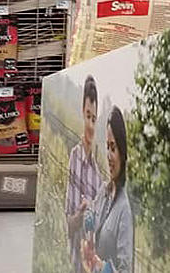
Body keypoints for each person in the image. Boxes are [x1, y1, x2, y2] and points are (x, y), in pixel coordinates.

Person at [81, 106, 134, 273]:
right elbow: (91, 227)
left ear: (123, 153)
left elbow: (125, 270)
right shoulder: (104, 191)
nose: (109, 156)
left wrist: (101, 267)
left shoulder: (124, 209)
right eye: (107, 147)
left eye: (114, 148)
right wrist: (88, 220)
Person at [66, 75, 101, 273]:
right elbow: (69, 225)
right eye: (88, 116)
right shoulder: (75, 158)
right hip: (77, 265)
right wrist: (81, 213)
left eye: (94, 119)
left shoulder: (98, 173)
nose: (90, 124)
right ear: (82, 113)